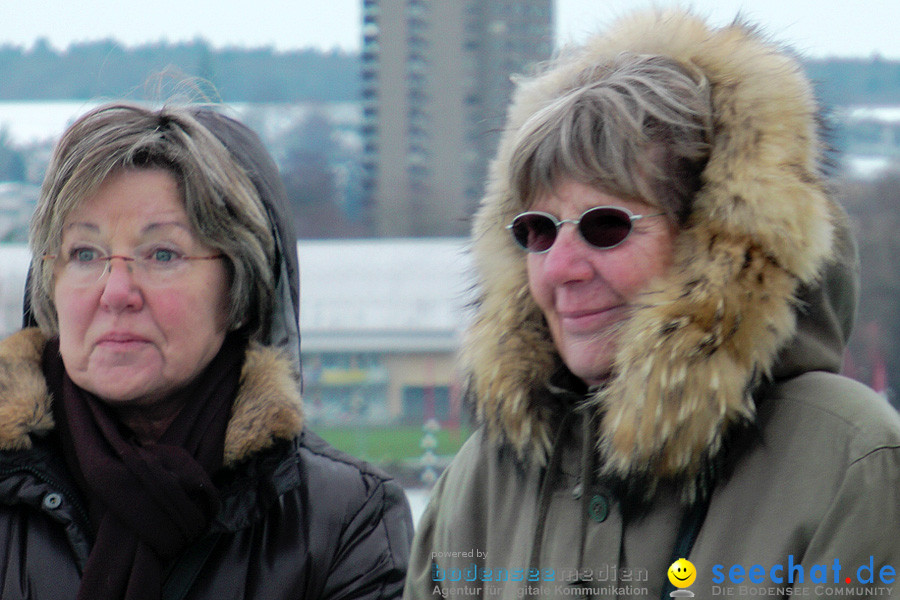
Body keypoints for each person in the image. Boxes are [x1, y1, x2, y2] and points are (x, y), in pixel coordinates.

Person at [404, 9, 900, 600]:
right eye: (537, 230)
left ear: (713, 244)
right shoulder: (482, 479)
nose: (561, 269)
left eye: (605, 226)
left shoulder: (851, 462)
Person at [0, 103, 412, 600]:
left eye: (162, 254)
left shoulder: (345, 519)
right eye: (85, 254)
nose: (115, 292)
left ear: (239, 289)